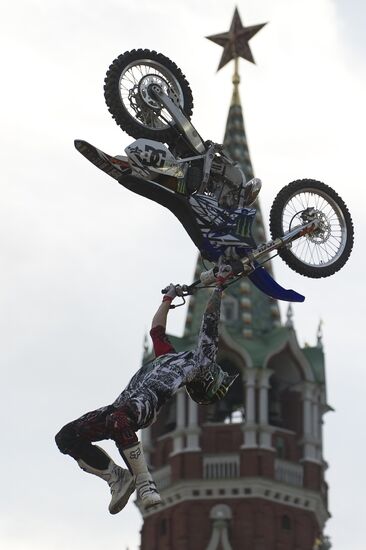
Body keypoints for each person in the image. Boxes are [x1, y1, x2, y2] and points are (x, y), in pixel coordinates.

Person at [55, 262, 238, 515]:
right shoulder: (170, 358)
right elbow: (157, 331)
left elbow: (210, 322)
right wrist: (168, 299)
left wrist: (219, 287)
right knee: (66, 437)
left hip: (144, 405)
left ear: (207, 382)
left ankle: (145, 483)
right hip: (120, 405)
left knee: (119, 420)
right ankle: (116, 478)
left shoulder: (201, 363)